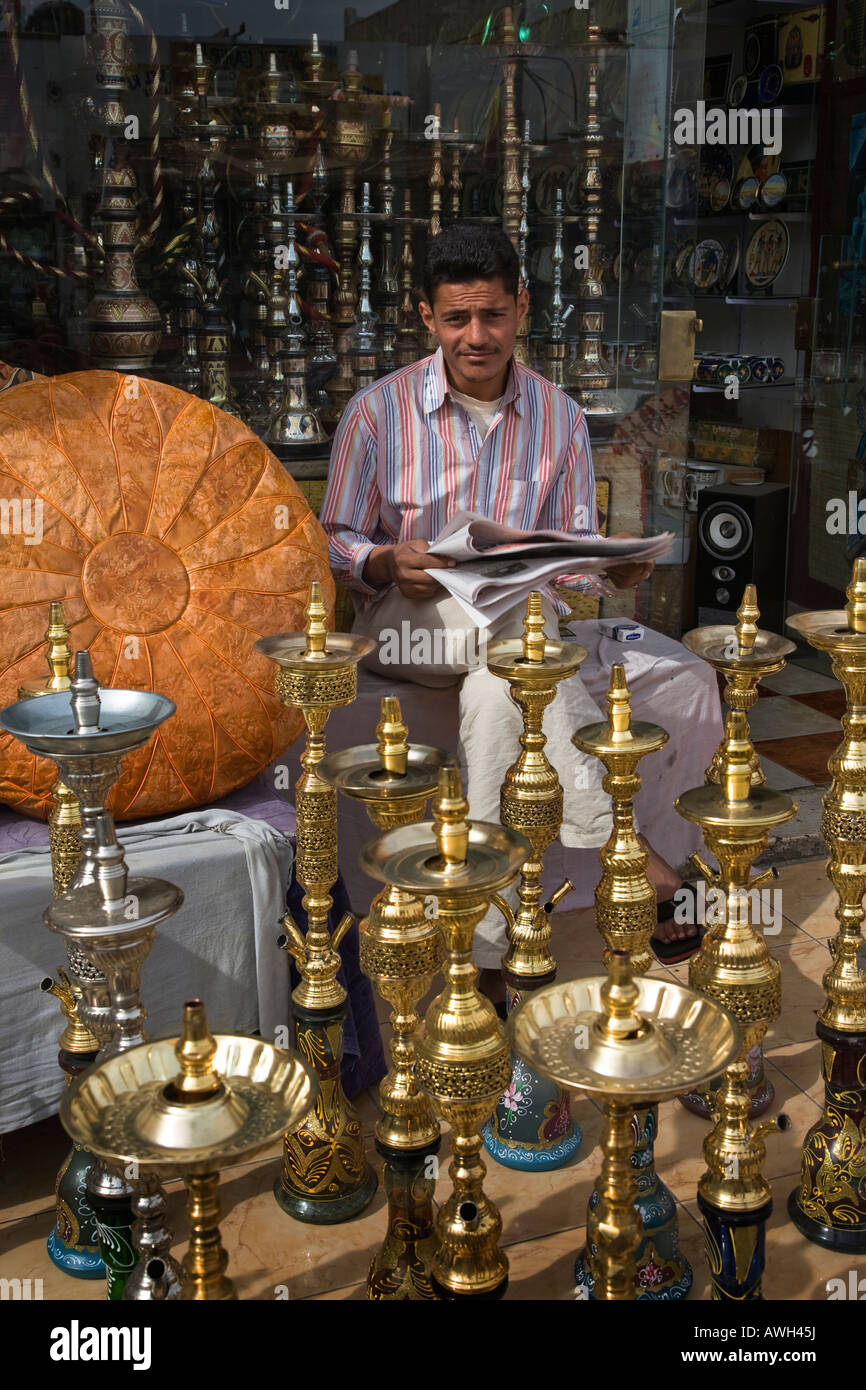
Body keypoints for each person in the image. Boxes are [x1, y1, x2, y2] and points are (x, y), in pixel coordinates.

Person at [319, 223, 702, 986]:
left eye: (493, 315)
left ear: (521, 309)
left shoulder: (557, 414)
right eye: (457, 318)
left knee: (505, 689)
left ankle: (492, 956)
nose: (476, 336)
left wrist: (605, 571)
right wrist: (388, 559)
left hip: (518, 634)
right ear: (426, 318)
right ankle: (634, 852)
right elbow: (332, 540)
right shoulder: (377, 412)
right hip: (409, 628)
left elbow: (567, 559)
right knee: (513, 637)